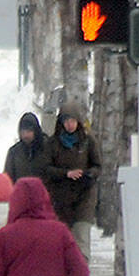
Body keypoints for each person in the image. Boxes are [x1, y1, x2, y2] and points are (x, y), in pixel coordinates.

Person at [37, 102, 100, 258]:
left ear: (78, 121)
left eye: (72, 120)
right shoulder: (52, 144)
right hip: (60, 200)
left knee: (81, 239)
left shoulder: (88, 142)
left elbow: (97, 166)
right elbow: (46, 169)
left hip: (83, 198)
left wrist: (88, 175)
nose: (69, 125)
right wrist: (65, 174)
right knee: (61, 241)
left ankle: (82, 273)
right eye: (66, 121)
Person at [3, 112, 46, 182]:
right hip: (21, 191)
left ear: (36, 131)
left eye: (29, 131)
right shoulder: (14, 152)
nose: (26, 135)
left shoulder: (47, 148)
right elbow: (8, 178)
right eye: (23, 132)